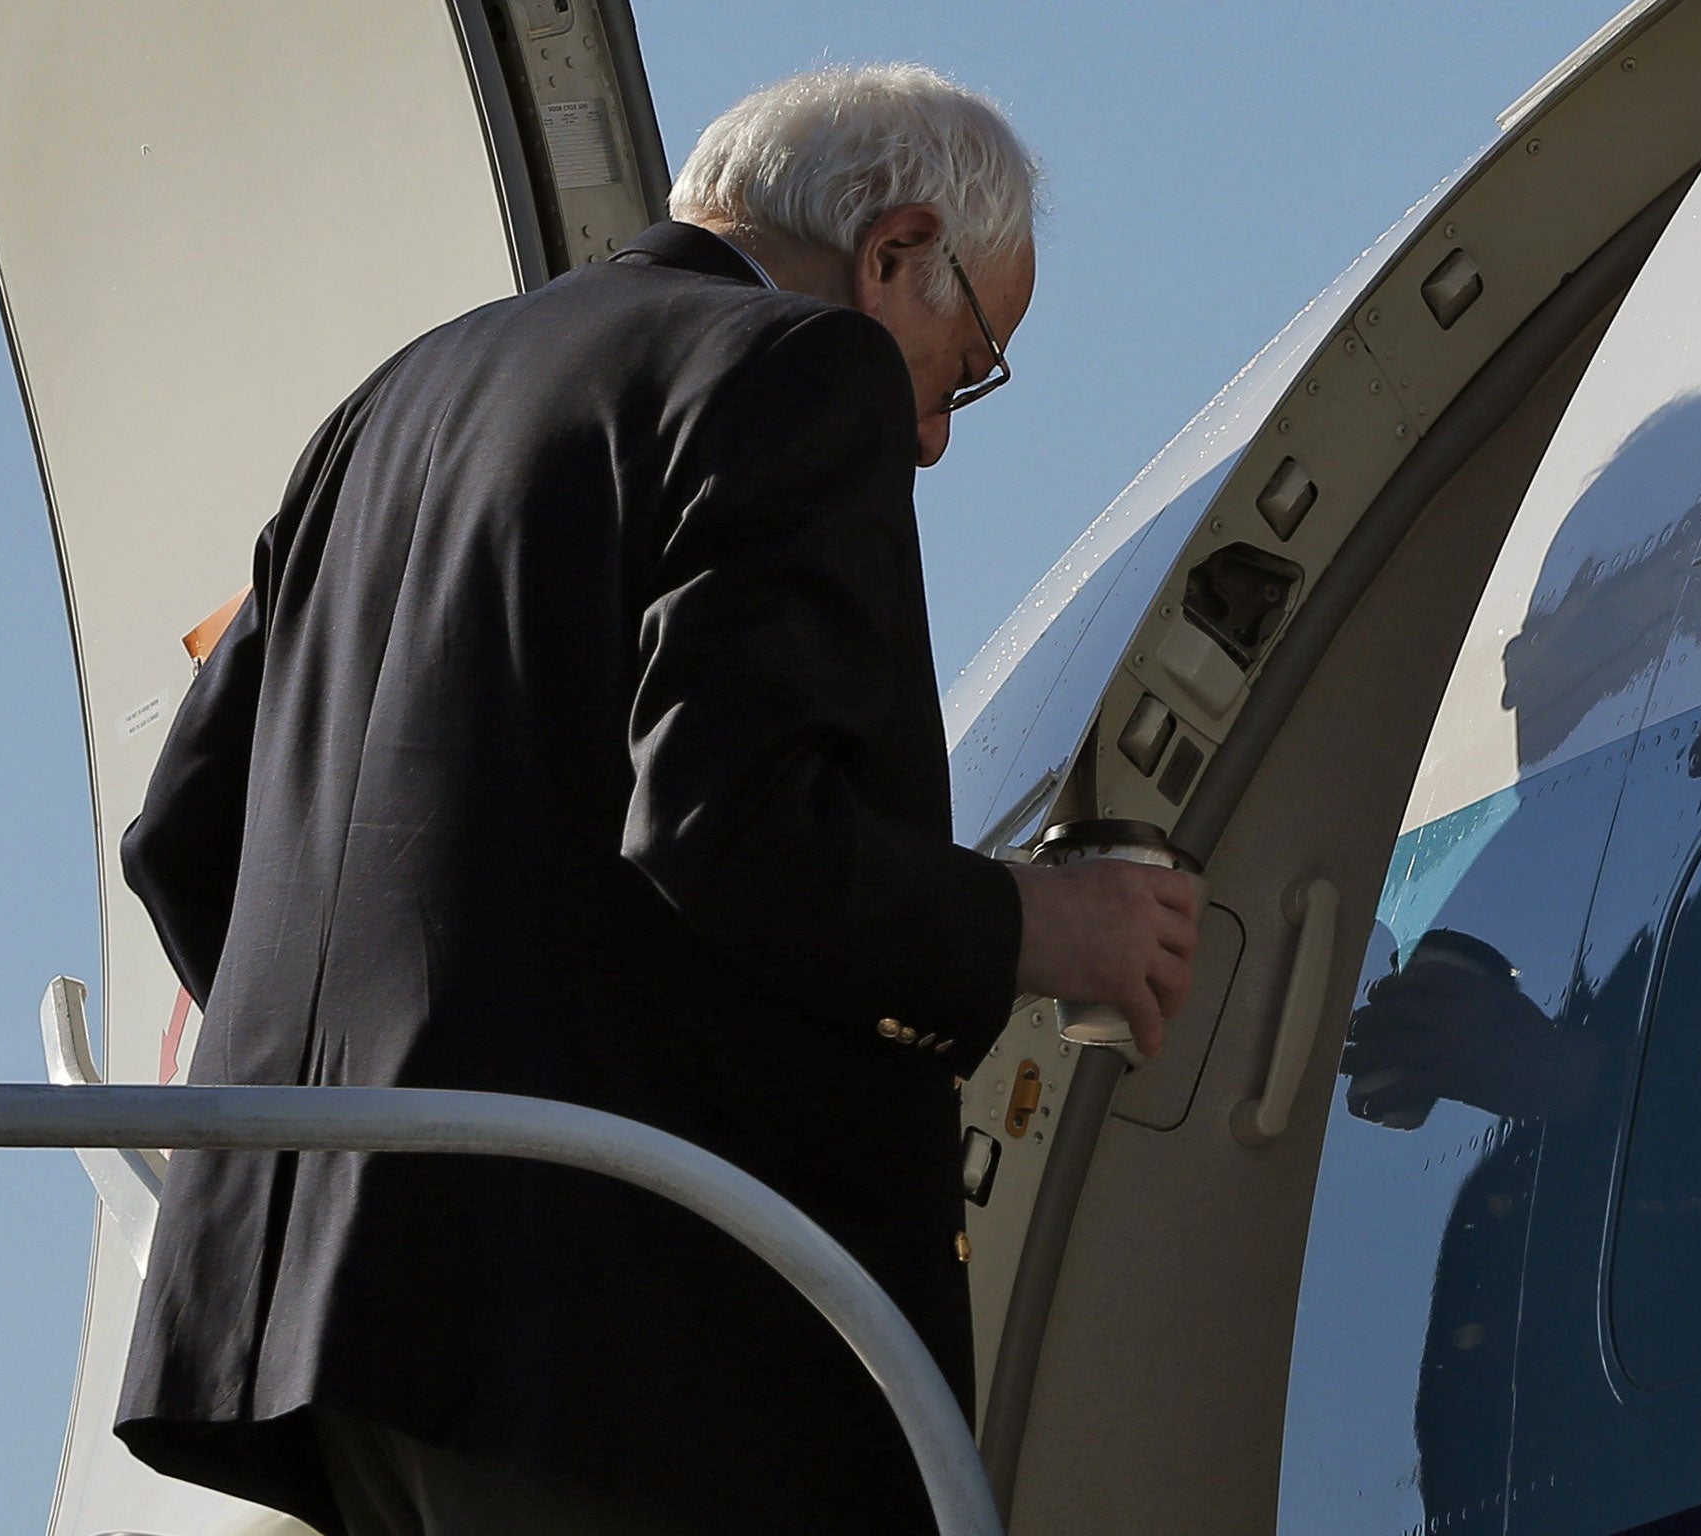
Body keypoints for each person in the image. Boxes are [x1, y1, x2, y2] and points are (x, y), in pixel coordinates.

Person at [111, 64, 1200, 1536]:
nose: (937, 432)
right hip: (608, 1341)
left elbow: (184, 836)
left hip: (308, 1322)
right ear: (894, 252)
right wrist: (1037, 926)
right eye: (972, 357)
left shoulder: (398, 395)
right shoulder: (800, 366)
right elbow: (729, 828)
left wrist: (384, 1101)